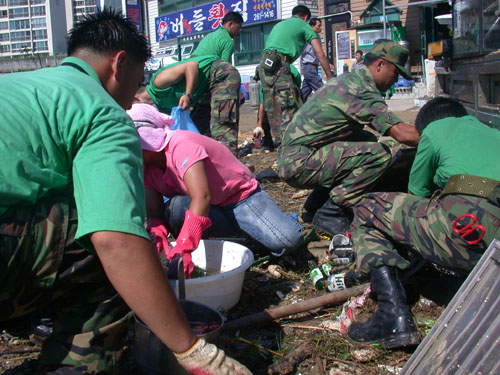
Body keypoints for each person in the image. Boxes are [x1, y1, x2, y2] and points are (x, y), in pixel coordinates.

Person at [0, 9, 250, 375]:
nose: (132, 100)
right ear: (119, 64)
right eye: (135, 84)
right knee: (124, 250)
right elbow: (115, 241)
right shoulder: (101, 110)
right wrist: (192, 349)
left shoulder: (23, 86)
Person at [346, 97, 500, 349]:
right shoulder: (493, 132)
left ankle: (391, 315)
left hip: (465, 226)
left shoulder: (434, 130)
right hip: (494, 246)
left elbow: (417, 194)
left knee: (367, 207)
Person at [128, 103, 303, 275]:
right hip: (210, 210)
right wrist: (156, 232)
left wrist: (186, 244)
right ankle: (244, 241)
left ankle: (249, 241)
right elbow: (155, 213)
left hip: (240, 198)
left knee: (287, 240)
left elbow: (202, 196)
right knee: (176, 207)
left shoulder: (181, 145)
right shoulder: (145, 167)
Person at [277, 39, 419, 237]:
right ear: (380, 64)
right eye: (395, 73)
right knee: (378, 155)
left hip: (296, 157)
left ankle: (317, 203)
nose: (395, 80)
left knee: (366, 139)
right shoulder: (361, 89)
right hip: (299, 163)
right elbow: (401, 134)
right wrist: (438, 137)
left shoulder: (349, 80)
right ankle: (331, 212)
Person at [135, 55, 241, 155]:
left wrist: (187, 95)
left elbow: (191, 65)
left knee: (221, 129)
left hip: (219, 74)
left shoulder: (158, 83)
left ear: (136, 99)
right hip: (204, 91)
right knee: (197, 133)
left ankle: (231, 172)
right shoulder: (161, 106)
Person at [258, 5, 333, 143]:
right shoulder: (304, 25)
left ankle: (280, 142)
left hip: (264, 66)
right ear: (305, 17)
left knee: (272, 106)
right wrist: (329, 77)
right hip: (279, 65)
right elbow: (320, 54)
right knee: (287, 105)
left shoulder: (279, 25)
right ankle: (292, 144)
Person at [300, 18, 333, 101]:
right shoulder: (307, 38)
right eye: (318, 26)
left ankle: (297, 107)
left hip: (313, 67)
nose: (321, 28)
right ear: (312, 26)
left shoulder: (317, 37)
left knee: (304, 93)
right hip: (308, 66)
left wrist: (327, 64)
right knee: (322, 90)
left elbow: (318, 54)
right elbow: (318, 53)